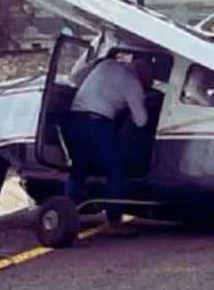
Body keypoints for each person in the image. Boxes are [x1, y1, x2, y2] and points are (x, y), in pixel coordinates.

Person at [64, 56, 153, 235]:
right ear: (144, 72)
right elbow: (141, 121)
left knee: (78, 169)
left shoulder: (107, 64)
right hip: (98, 124)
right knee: (115, 171)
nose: (150, 83)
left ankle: (68, 216)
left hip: (75, 119)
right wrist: (142, 102)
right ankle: (114, 222)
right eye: (151, 78)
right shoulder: (132, 83)